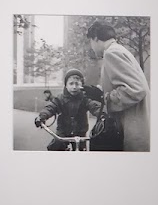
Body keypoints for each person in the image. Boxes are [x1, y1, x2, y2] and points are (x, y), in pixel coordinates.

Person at [86, 22, 150, 152]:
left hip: (131, 129)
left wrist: (105, 97)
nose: (91, 47)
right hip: (137, 124)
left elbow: (136, 89)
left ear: (95, 38)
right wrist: (102, 92)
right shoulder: (119, 50)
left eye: (90, 42)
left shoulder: (112, 53)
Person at [33, 69, 102, 151]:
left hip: (80, 133)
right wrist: (42, 117)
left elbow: (94, 106)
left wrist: (102, 115)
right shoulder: (60, 99)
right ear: (66, 85)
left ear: (81, 85)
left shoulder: (85, 99)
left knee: (81, 152)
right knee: (55, 148)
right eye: (71, 83)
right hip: (63, 132)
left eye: (77, 84)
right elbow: (50, 107)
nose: (74, 87)